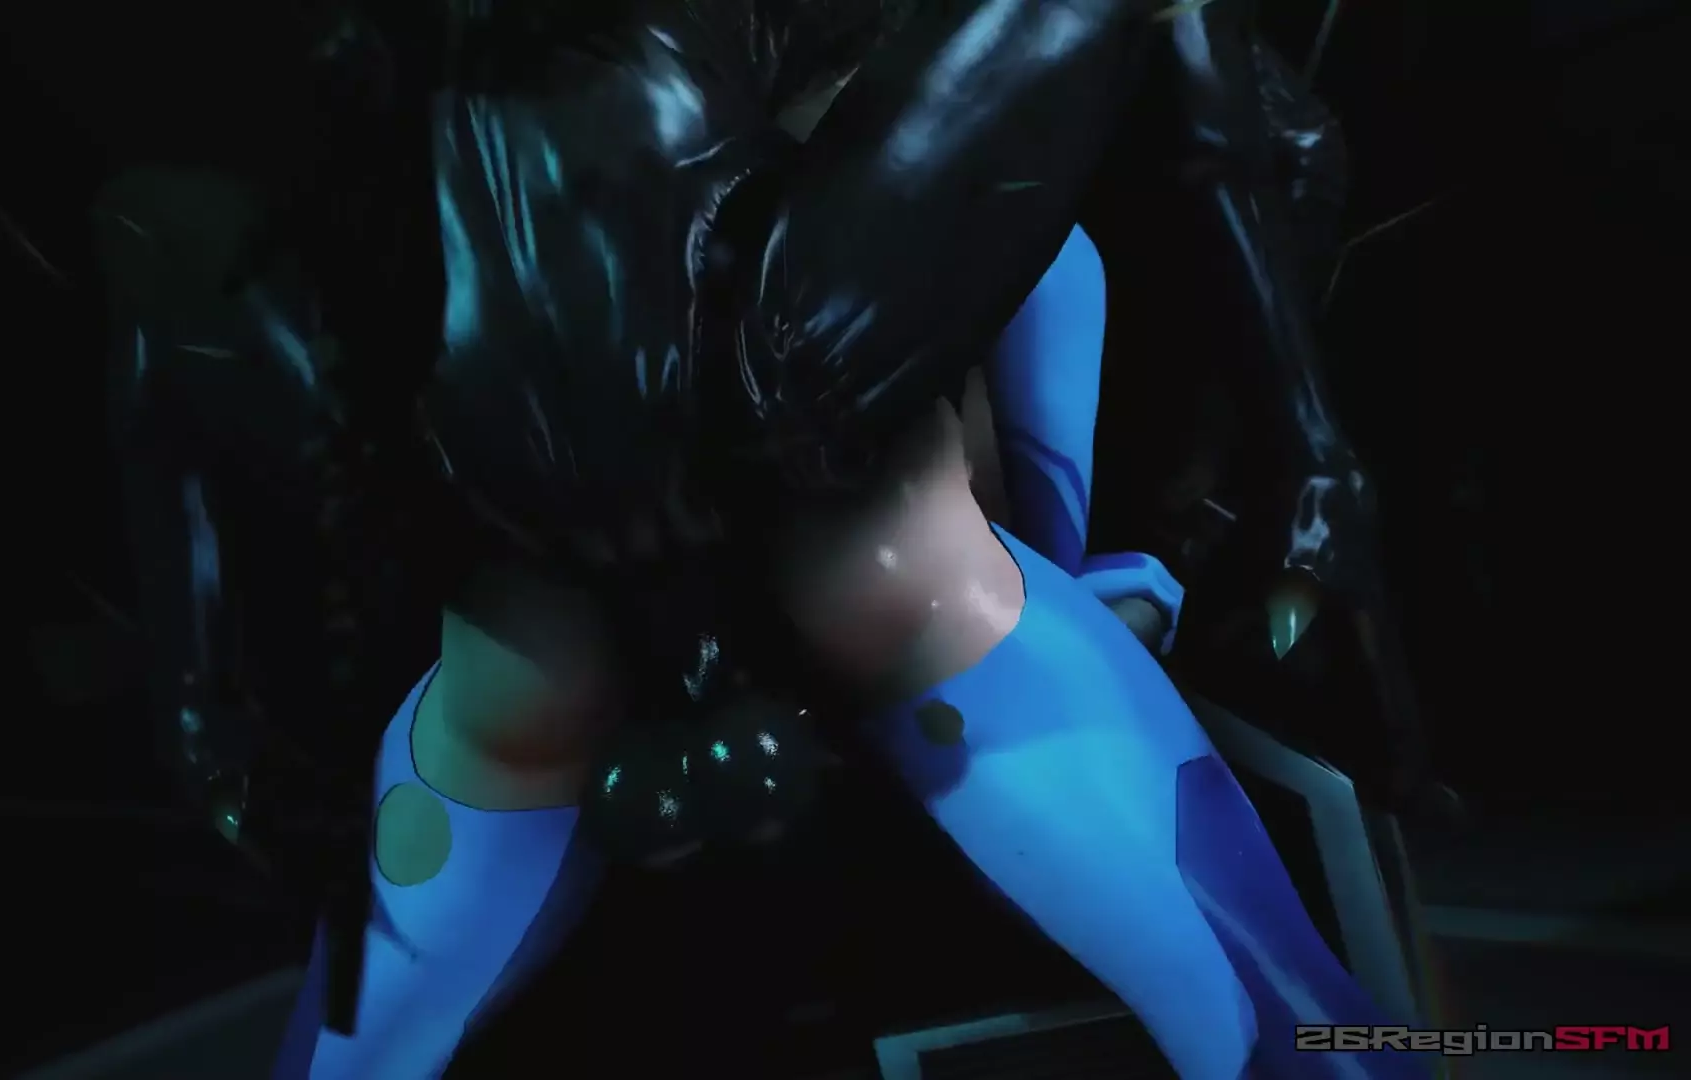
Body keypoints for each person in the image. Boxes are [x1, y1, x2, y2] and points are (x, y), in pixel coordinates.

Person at [100, 2, 1426, 1077]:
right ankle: (1073, 559)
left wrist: (202, 700)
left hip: (532, 561)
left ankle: (1070, 557)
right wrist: (1295, 476)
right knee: (911, 536)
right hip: (815, 512)